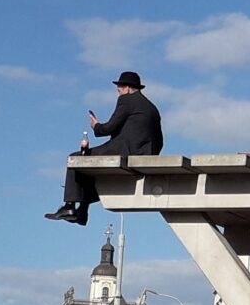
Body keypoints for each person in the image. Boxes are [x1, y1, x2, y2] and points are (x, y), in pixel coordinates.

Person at [45, 71, 163, 226]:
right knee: (92, 171)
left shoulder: (126, 100)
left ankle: (70, 206)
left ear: (126, 88)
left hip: (125, 151)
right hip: (145, 153)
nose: (118, 93)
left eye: (119, 89)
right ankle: (82, 211)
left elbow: (108, 128)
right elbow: (154, 137)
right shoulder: (151, 107)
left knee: (76, 159)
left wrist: (96, 126)